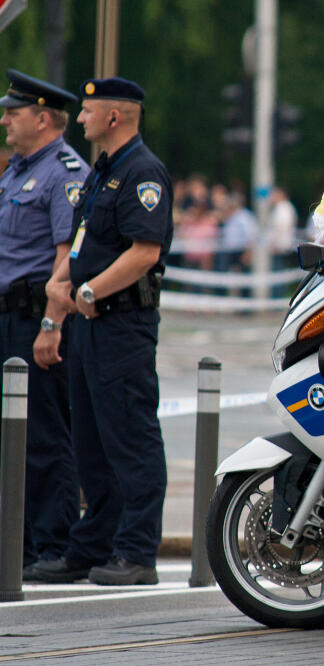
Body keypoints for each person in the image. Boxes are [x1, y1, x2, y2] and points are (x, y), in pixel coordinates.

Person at [34, 76, 172, 586]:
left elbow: (144, 251)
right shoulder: (103, 172)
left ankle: (137, 552)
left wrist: (89, 293)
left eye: (90, 110)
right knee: (89, 441)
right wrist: (62, 290)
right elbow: (84, 243)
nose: (83, 117)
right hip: (89, 327)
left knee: (130, 439)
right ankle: (92, 547)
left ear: (115, 117)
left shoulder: (142, 172)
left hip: (121, 325)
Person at [0, 69, 87, 580]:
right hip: (8, 313)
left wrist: (52, 324)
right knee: (13, 437)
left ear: (42, 118)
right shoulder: (14, 170)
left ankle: (50, 543)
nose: (6, 119)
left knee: (45, 435)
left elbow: (66, 257)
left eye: (14, 111)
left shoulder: (62, 172)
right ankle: (18, 540)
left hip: (36, 316)